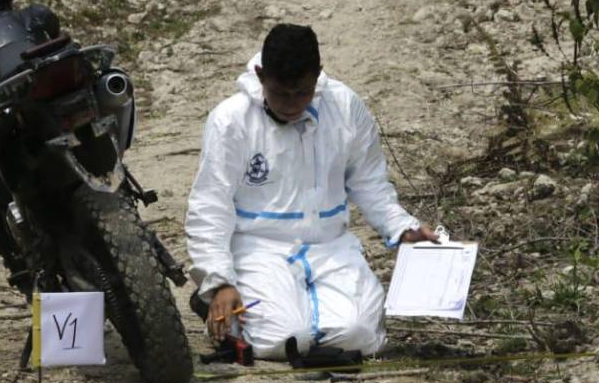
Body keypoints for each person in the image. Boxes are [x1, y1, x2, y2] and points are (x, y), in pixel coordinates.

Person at [185, 24, 437, 360]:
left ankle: (295, 309)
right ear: (261, 76)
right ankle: (217, 307)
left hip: (331, 247)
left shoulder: (346, 107)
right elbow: (210, 205)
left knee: (360, 337)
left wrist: (402, 227)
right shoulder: (230, 121)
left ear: (317, 76)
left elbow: (370, 182)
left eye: (301, 93)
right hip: (258, 249)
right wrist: (218, 280)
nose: (291, 104)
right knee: (283, 340)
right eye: (280, 93)